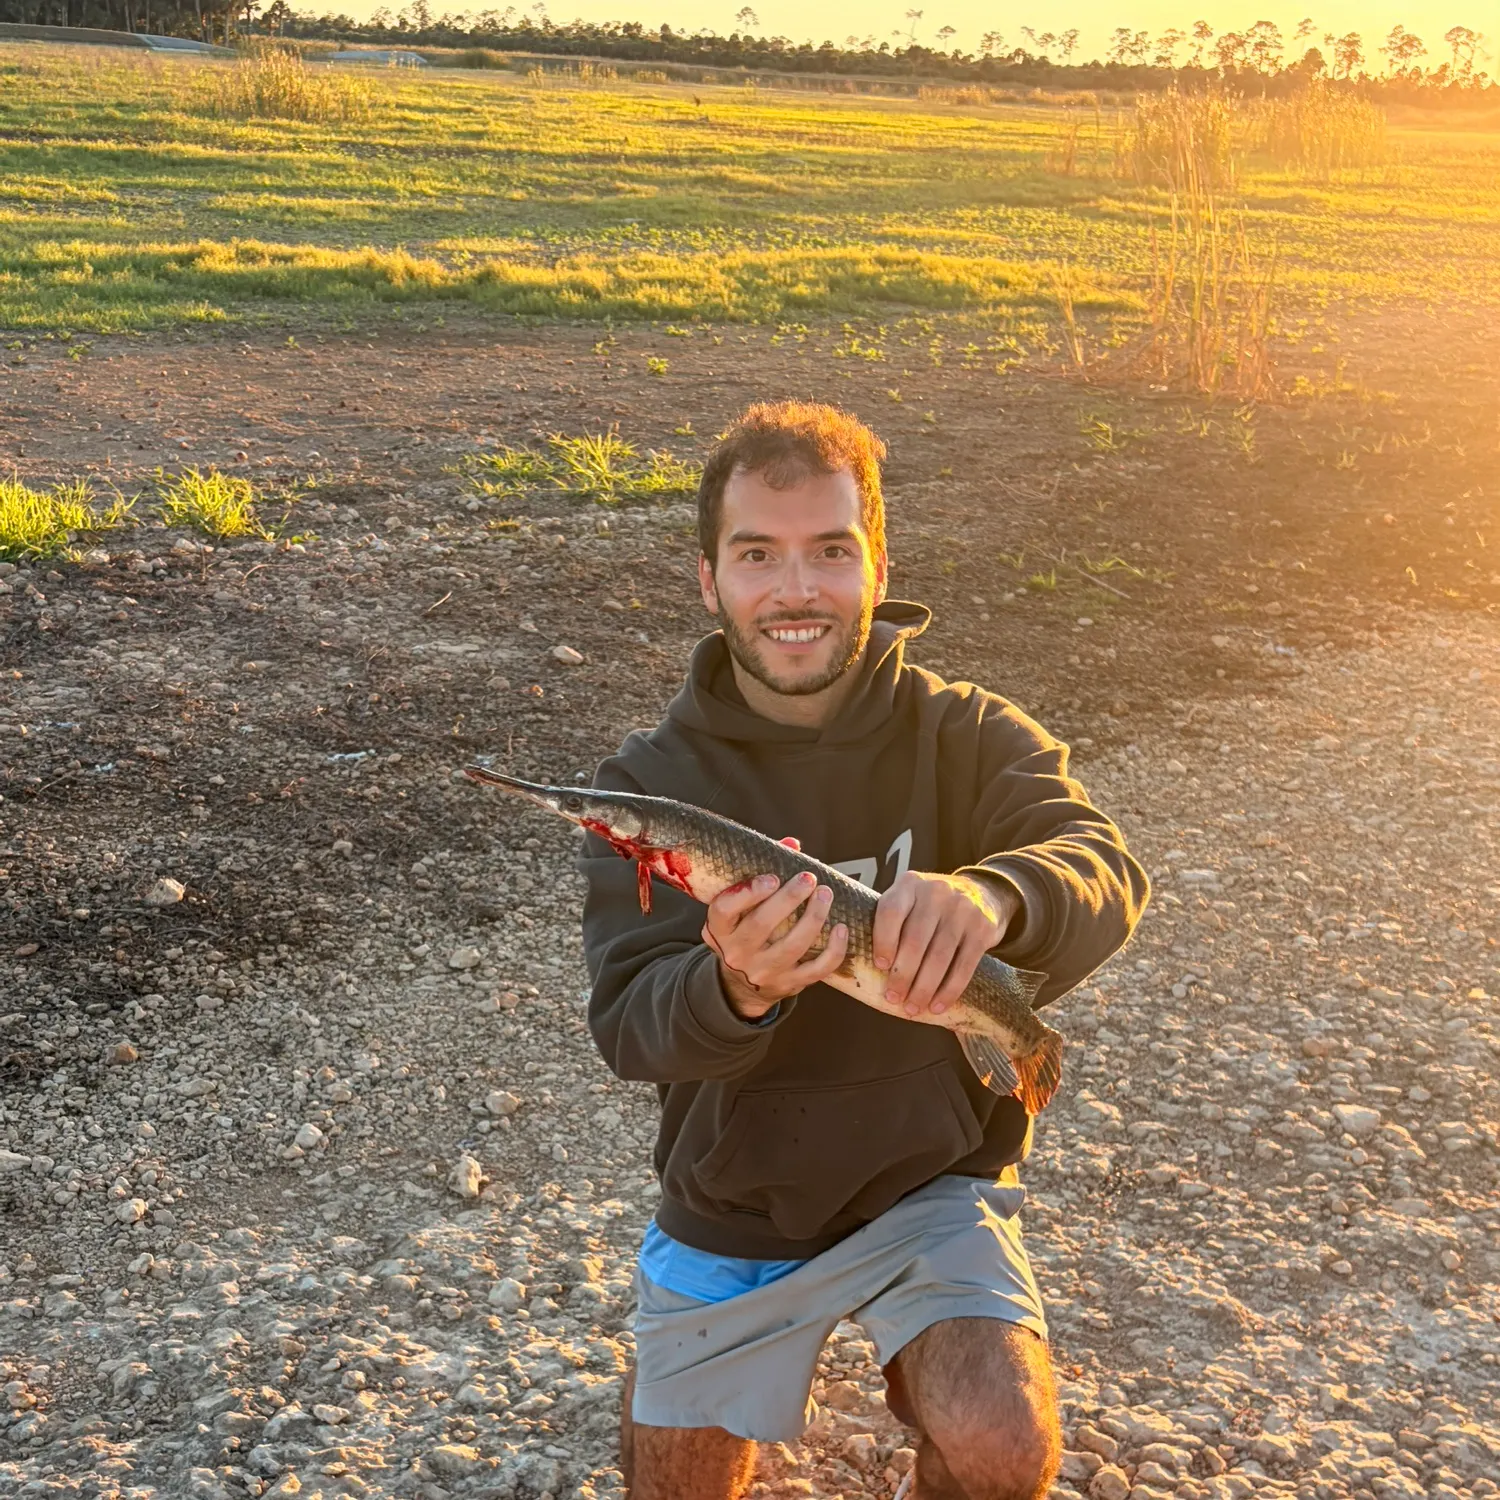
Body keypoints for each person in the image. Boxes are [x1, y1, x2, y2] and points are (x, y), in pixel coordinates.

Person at [581, 402, 1150, 1500]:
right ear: (710, 580)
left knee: (1002, 1444)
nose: (795, 590)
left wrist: (998, 896)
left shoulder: (969, 731)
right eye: (758, 555)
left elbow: (1104, 864)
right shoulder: (644, 788)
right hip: (734, 1197)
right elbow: (630, 1024)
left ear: (877, 564)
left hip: (928, 1179)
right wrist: (733, 990)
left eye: (829, 551)